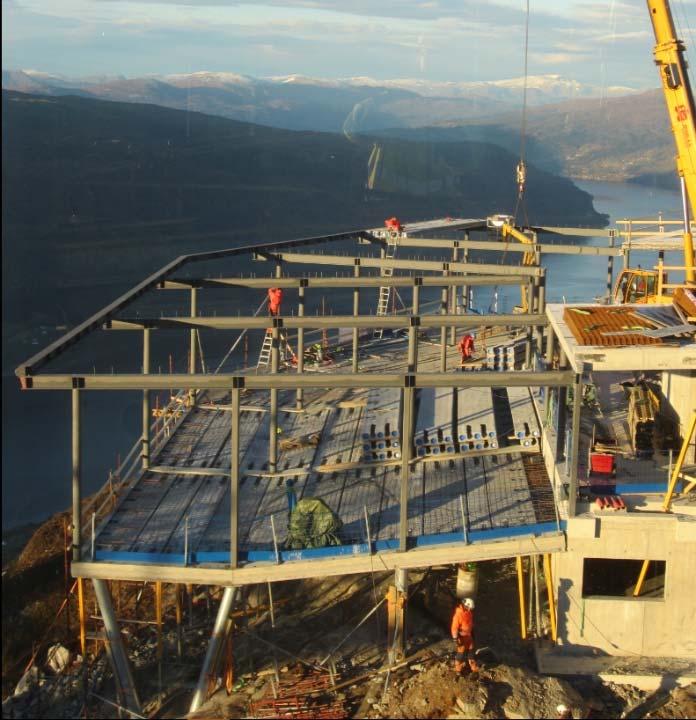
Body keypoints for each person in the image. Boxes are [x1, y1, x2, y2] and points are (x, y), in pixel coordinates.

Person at [451, 597, 479, 674]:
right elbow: (454, 628)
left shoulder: (468, 612)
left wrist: (472, 631)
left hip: (468, 636)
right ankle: (458, 669)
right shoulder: (458, 615)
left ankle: (473, 666)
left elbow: (470, 623)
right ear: (465, 606)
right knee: (460, 653)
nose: (470, 610)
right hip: (461, 637)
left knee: (471, 651)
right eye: (469, 608)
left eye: (471, 608)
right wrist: (455, 639)